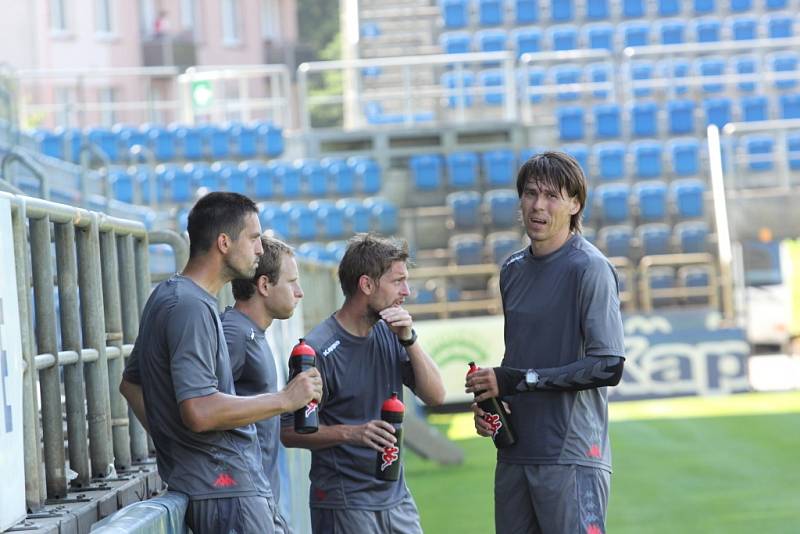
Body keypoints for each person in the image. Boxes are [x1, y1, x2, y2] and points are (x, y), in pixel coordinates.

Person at [119, 192, 322, 533]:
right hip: (228, 492)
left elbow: (131, 383)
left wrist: (178, 448)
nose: (260, 249)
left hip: (224, 488)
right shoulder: (190, 306)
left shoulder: (171, 296)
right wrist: (286, 400)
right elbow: (198, 410)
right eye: (254, 238)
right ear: (225, 242)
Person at [465, 152, 626, 534]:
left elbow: (609, 365)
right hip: (514, 453)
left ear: (575, 204)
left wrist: (518, 380)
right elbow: (520, 356)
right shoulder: (512, 270)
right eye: (531, 193)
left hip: (571, 455)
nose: (539, 205)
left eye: (552, 195)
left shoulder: (590, 268)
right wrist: (495, 401)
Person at [281, 233, 446, 534]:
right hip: (344, 503)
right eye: (398, 281)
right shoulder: (318, 349)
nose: (407, 291)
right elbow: (290, 431)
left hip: (396, 499)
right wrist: (352, 433)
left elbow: (436, 395)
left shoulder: (392, 332)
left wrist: (410, 339)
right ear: (367, 285)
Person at [221, 236, 303, 534]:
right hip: (242, 501)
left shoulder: (251, 332)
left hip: (262, 498)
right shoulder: (234, 333)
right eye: (292, 282)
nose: (300, 292)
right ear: (265, 285)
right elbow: (200, 406)